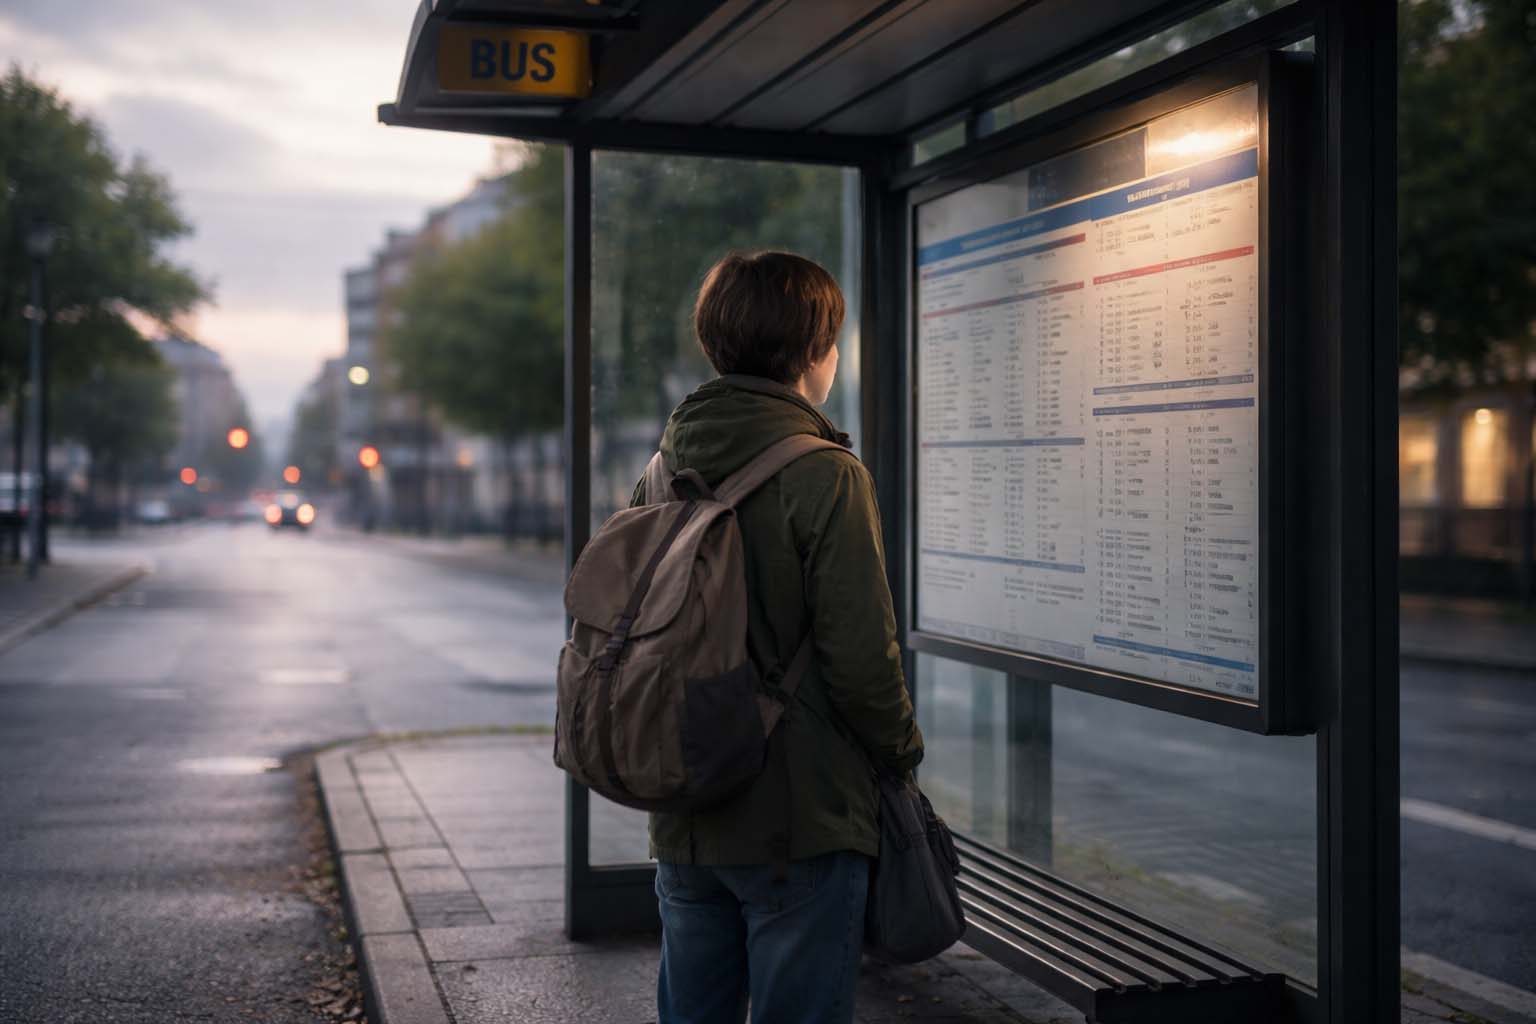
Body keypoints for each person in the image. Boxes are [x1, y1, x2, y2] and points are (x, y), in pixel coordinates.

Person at [636, 250, 924, 1024]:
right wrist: (901, 756)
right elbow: (864, 659)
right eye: (832, 341)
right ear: (810, 353)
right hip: (801, 814)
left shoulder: (663, 467)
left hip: (688, 810)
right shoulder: (828, 474)